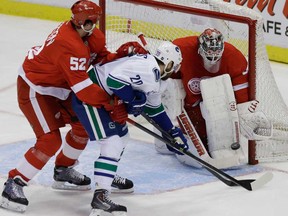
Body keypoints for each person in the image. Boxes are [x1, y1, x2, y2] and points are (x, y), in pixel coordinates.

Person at [0, 0, 147, 213]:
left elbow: (100, 60)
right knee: (49, 141)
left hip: (61, 85)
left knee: (83, 127)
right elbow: (85, 90)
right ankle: (14, 183)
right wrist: (114, 102)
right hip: (36, 88)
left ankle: (64, 169)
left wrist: (120, 55)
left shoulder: (91, 36)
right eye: (87, 23)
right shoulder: (68, 43)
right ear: (76, 22)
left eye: (94, 22)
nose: (92, 27)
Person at [72, 41, 187, 215]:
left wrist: (171, 132)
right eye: (175, 66)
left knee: (123, 137)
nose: (175, 70)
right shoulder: (148, 69)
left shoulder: (157, 77)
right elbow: (114, 82)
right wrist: (133, 99)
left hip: (104, 99)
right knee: (113, 142)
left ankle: (107, 178)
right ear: (170, 63)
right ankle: (101, 196)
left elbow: (154, 108)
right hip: (90, 95)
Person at [154, 28, 272, 168]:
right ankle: (165, 140)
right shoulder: (182, 49)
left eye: (217, 54)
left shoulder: (233, 56)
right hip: (187, 105)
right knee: (168, 93)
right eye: (208, 54)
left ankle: (220, 149)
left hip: (214, 106)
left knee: (213, 142)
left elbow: (240, 91)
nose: (212, 60)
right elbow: (167, 82)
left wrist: (244, 112)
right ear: (199, 48)